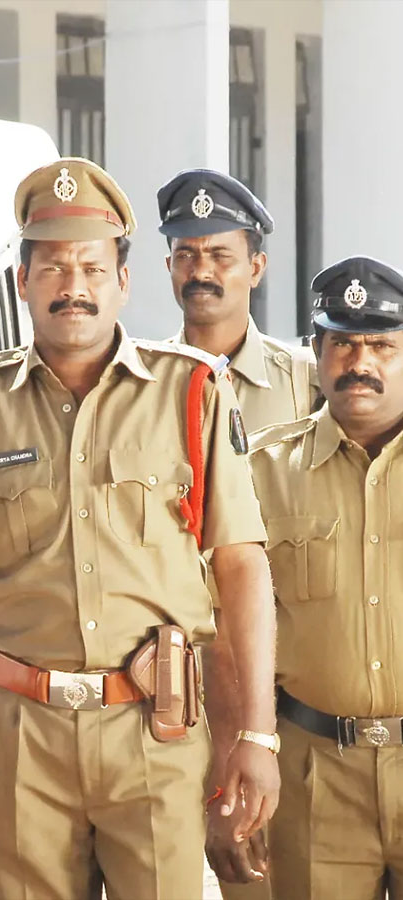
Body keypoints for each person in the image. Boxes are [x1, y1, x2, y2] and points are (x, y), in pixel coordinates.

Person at [0, 157, 279, 900]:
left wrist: (255, 734)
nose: (75, 287)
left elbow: (240, 567)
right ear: (25, 282)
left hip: (153, 731)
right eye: (54, 268)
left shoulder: (192, 391)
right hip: (18, 733)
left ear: (123, 281)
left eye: (93, 268)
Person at [156, 168, 319, 898]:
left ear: (255, 265)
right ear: (166, 268)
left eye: (220, 255)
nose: (203, 272)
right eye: (187, 255)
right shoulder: (139, 385)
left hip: (287, 683)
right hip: (174, 689)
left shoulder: (309, 382)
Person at [244, 256, 403, 900]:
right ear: (316, 353)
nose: (358, 361)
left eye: (381, 345)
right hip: (312, 769)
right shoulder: (260, 470)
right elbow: (222, 630)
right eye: (341, 343)